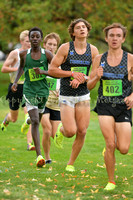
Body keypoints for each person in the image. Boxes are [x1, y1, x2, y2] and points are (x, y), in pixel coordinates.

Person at [46, 18, 99, 172]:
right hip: (67, 95)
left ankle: (70, 163)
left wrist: (81, 78)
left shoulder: (93, 50)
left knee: (82, 131)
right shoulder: (65, 48)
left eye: (84, 27)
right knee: (70, 132)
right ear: (73, 32)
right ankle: (61, 131)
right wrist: (72, 74)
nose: (82, 29)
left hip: (83, 95)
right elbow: (52, 70)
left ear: (88, 31)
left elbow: (94, 75)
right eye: (78, 27)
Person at [87, 23, 133, 191]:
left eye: (118, 35)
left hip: (123, 107)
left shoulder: (130, 59)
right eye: (111, 35)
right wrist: (96, 77)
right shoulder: (99, 59)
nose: (114, 38)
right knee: (110, 144)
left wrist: (132, 96)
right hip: (105, 105)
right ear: (106, 38)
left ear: (123, 38)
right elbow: (89, 86)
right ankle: (111, 180)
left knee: (123, 148)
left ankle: (108, 152)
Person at [11, 27, 53, 167]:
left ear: (41, 39)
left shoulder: (47, 55)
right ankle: (39, 156)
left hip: (42, 91)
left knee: (36, 119)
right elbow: (21, 68)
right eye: (32, 36)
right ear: (29, 39)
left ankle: (27, 120)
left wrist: (43, 71)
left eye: (37, 36)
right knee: (36, 121)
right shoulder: (23, 54)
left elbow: (54, 72)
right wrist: (16, 82)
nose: (34, 39)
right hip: (29, 91)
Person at [1, 30, 35, 151]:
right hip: (15, 87)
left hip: (28, 87)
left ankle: (29, 143)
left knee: (30, 115)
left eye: (31, 41)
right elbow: (4, 68)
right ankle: (7, 119)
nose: (30, 43)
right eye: (27, 41)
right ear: (21, 42)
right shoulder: (15, 53)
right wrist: (17, 68)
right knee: (14, 118)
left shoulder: (34, 53)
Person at [41, 33, 61, 164]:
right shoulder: (39, 60)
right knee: (47, 130)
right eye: (50, 44)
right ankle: (47, 157)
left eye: (54, 45)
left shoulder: (60, 62)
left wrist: (62, 91)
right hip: (42, 101)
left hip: (56, 103)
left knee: (54, 134)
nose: (52, 47)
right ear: (44, 45)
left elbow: (63, 78)